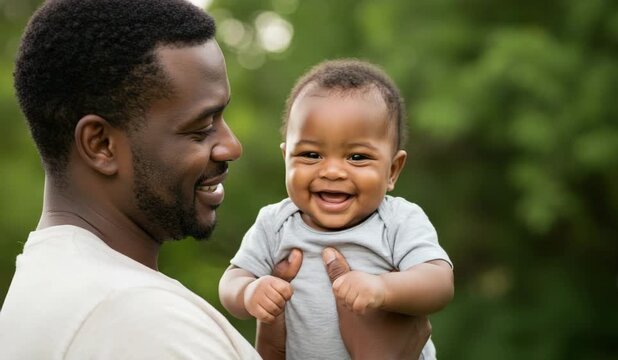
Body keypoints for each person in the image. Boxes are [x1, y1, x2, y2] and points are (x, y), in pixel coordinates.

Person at [0, 0, 431, 359]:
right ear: (101, 144)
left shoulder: (52, 286)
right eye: (200, 127)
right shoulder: (139, 319)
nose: (232, 146)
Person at [219, 59, 455, 359]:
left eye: (357, 157)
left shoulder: (397, 220)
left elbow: (438, 282)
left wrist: (383, 288)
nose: (332, 171)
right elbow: (232, 279)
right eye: (311, 154)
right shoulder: (275, 223)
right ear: (286, 159)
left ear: (392, 170)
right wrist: (248, 292)